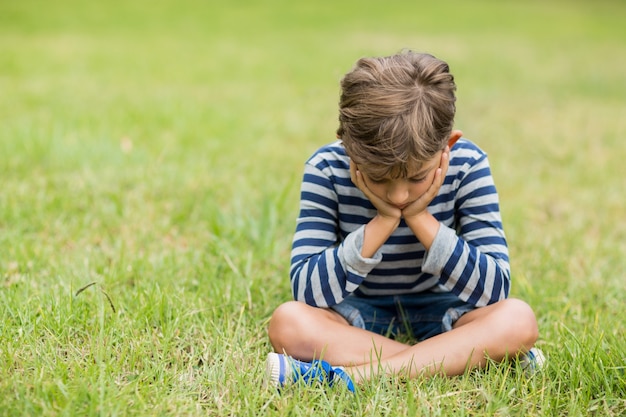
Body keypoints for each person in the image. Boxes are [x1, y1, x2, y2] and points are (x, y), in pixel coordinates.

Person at [266, 50, 542, 392]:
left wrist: (420, 218)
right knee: (288, 322)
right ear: (349, 149)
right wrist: (382, 223)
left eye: (416, 178)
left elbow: (495, 290)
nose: (398, 196)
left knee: (517, 319)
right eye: (379, 178)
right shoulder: (326, 168)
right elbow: (307, 292)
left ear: (448, 146)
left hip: (448, 313)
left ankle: (354, 377)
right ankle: (460, 362)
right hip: (355, 316)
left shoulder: (468, 165)